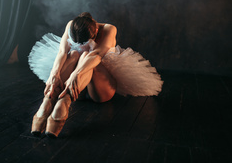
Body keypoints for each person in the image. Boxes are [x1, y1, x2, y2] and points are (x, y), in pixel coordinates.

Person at [28, 12, 163, 138]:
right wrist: (54, 74)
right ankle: (51, 101)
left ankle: (61, 101)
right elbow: (62, 52)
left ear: (96, 32)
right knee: (73, 54)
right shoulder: (71, 25)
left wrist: (75, 73)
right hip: (75, 89)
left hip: (98, 88)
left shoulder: (109, 29)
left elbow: (97, 55)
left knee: (88, 56)